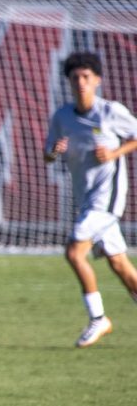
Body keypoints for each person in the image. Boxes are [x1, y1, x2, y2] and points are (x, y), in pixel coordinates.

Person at [44, 50, 137, 348]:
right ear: (68, 82)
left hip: (108, 201)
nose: (81, 82)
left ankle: (99, 318)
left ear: (97, 80)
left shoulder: (110, 112)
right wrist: (54, 151)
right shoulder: (62, 117)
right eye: (75, 78)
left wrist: (114, 153)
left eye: (86, 77)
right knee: (120, 266)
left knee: (74, 252)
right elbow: (47, 155)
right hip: (86, 202)